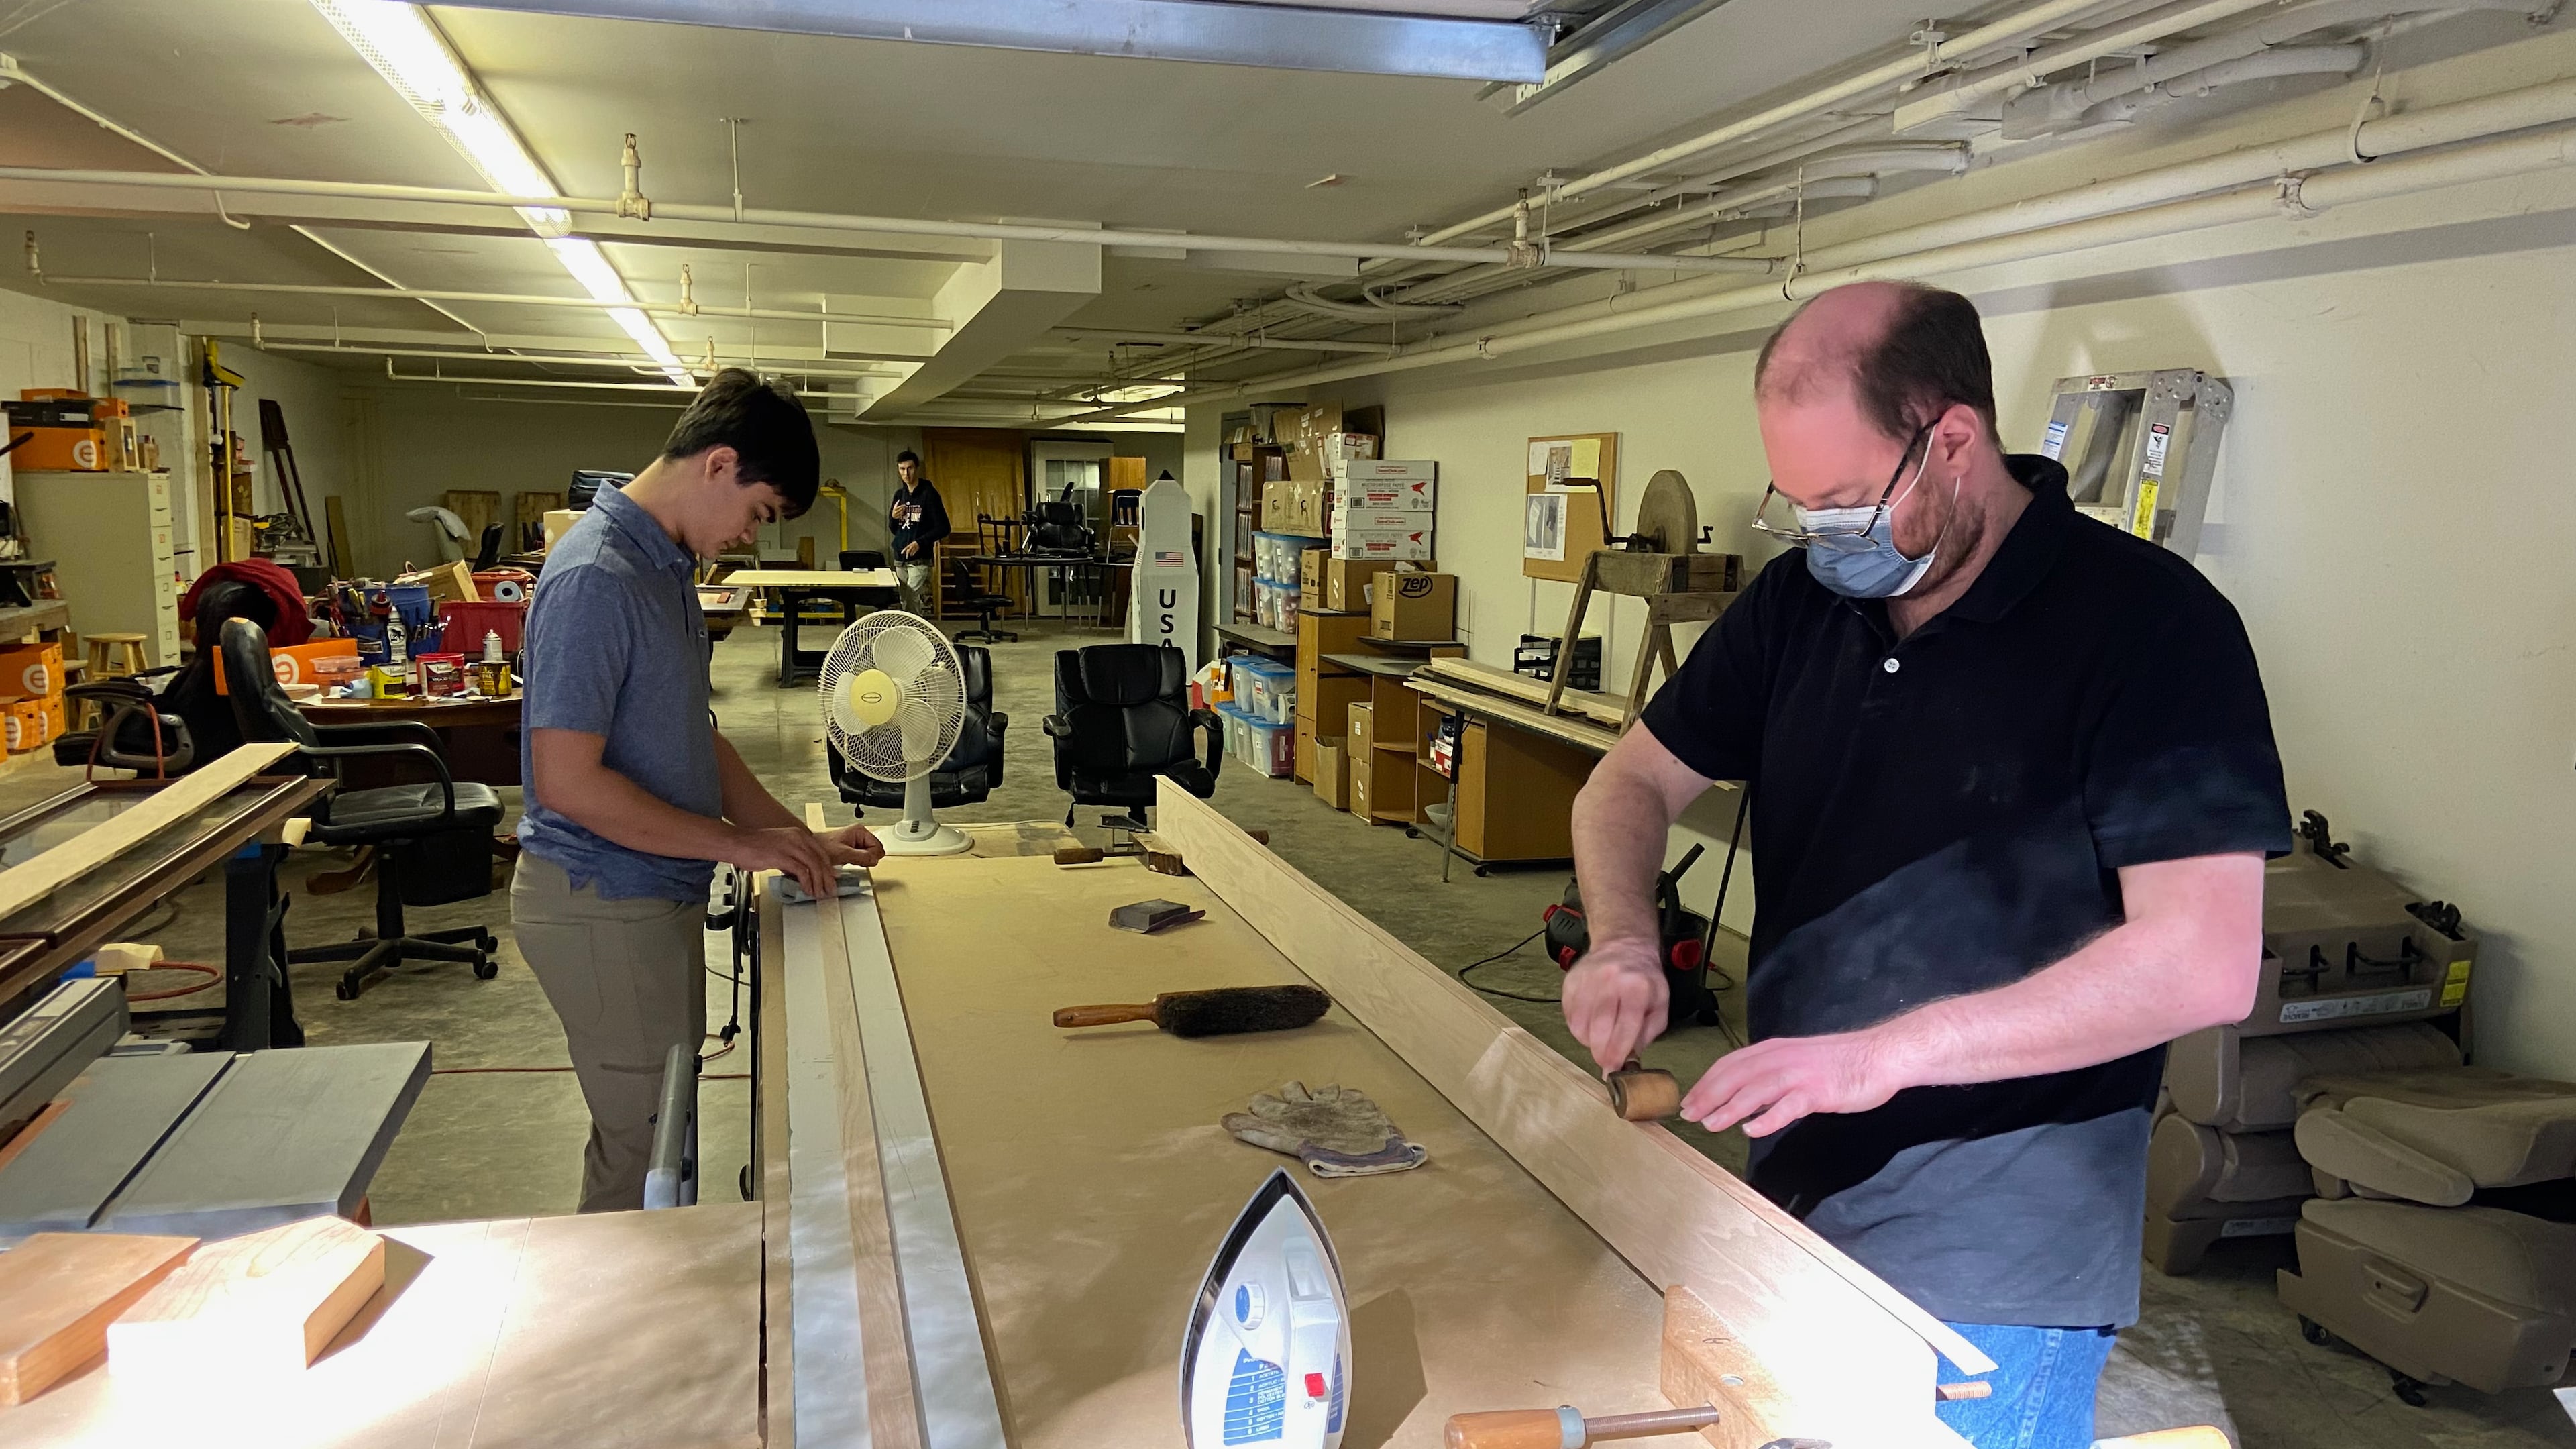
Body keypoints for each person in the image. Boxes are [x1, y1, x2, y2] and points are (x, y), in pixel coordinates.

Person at [1562, 282, 2286, 1448]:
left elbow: (2203, 963)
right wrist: (1625, 940)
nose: (1821, 535)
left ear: (1952, 440)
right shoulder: (1800, 604)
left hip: (1999, 1262)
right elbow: (1628, 784)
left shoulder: (2155, 629)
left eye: (1847, 501)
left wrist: (1889, 1055)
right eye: (1797, 505)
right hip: (1792, 1194)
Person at [514, 368, 885, 1213]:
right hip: (601, 901)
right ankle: (626, 1335)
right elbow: (568, 782)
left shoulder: (664, 568)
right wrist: (737, 845)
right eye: (759, 513)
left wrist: (794, 837)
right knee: (643, 1156)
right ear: (720, 465)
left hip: (650, 891)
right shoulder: (598, 578)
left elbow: (693, 737)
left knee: (667, 1137)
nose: (753, 536)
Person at [888, 449, 950, 614]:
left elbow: (944, 527)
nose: (906, 473)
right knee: (904, 601)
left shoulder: (929, 494)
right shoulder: (899, 495)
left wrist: (920, 542)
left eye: (910, 468)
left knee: (911, 598)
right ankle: (908, 633)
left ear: (917, 468)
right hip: (900, 557)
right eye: (902, 469)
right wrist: (893, 517)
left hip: (920, 558)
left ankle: (916, 634)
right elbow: (894, 529)